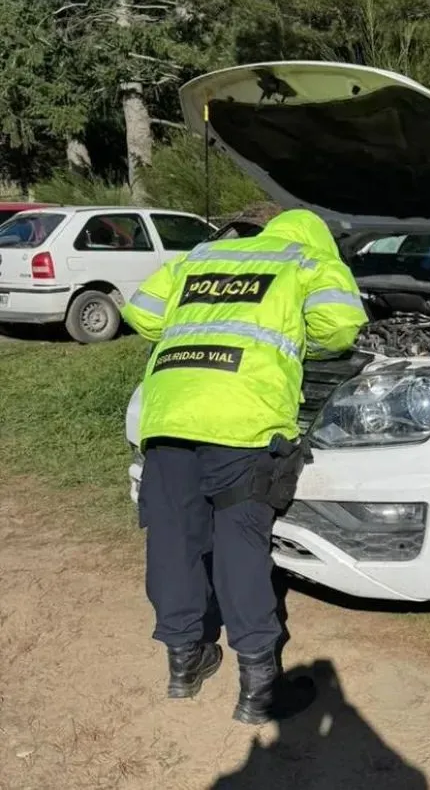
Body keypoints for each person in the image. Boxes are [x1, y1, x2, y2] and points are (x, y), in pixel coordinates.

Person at [121, 208, 367, 725]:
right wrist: (291, 345)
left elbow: (141, 313)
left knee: (173, 537)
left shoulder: (201, 256)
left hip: (169, 413)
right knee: (240, 542)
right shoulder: (308, 260)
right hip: (242, 421)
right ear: (319, 238)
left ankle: (184, 665)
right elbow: (340, 327)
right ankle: (259, 689)